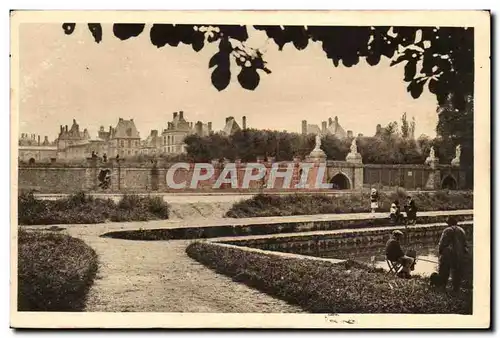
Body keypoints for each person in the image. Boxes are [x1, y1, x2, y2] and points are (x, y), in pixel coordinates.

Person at [437, 216, 469, 292]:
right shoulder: (461, 230)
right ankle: (456, 288)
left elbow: (442, 243)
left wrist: (440, 252)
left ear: (449, 223)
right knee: (457, 272)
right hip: (459, 254)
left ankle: (443, 286)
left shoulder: (447, 230)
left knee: (444, 271)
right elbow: (465, 244)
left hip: (448, 254)